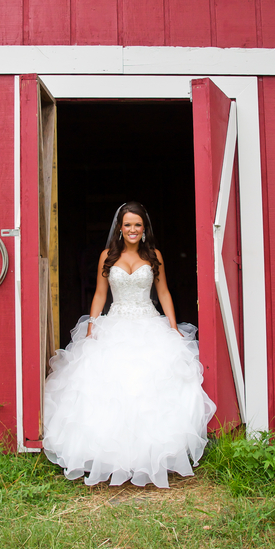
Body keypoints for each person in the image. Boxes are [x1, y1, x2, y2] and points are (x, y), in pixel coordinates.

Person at [43, 201, 216, 488]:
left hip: (149, 322)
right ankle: (110, 457)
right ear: (120, 229)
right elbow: (100, 295)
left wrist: (173, 327)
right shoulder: (107, 256)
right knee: (111, 390)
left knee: (151, 390)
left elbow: (163, 292)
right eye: (128, 225)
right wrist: (91, 327)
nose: (133, 230)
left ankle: (153, 456)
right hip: (116, 323)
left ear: (144, 229)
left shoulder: (154, 255)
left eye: (138, 225)